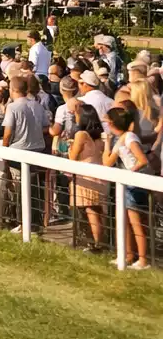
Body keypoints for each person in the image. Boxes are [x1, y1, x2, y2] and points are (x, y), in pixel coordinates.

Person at [0, 73, 51, 230]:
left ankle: (22, 224)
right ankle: (34, 223)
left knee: (19, 189)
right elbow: (46, 128)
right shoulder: (37, 105)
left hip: (18, 153)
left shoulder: (13, 107)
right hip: (37, 152)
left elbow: (7, 133)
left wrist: (4, 150)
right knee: (33, 189)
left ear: (13, 90)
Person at [103, 105, 152, 269]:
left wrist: (130, 173)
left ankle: (143, 260)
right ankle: (128, 255)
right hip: (126, 184)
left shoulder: (129, 138)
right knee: (124, 221)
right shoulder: (121, 138)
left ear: (112, 123)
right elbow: (107, 162)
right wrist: (107, 143)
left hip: (133, 184)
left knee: (136, 223)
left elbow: (143, 160)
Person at [68, 104, 106, 250]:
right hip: (99, 175)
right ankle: (99, 242)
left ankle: (95, 244)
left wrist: (70, 146)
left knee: (89, 210)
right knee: (96, 210)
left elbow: (73, 157)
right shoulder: (99, 136)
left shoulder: (81, 135)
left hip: (85, 176)